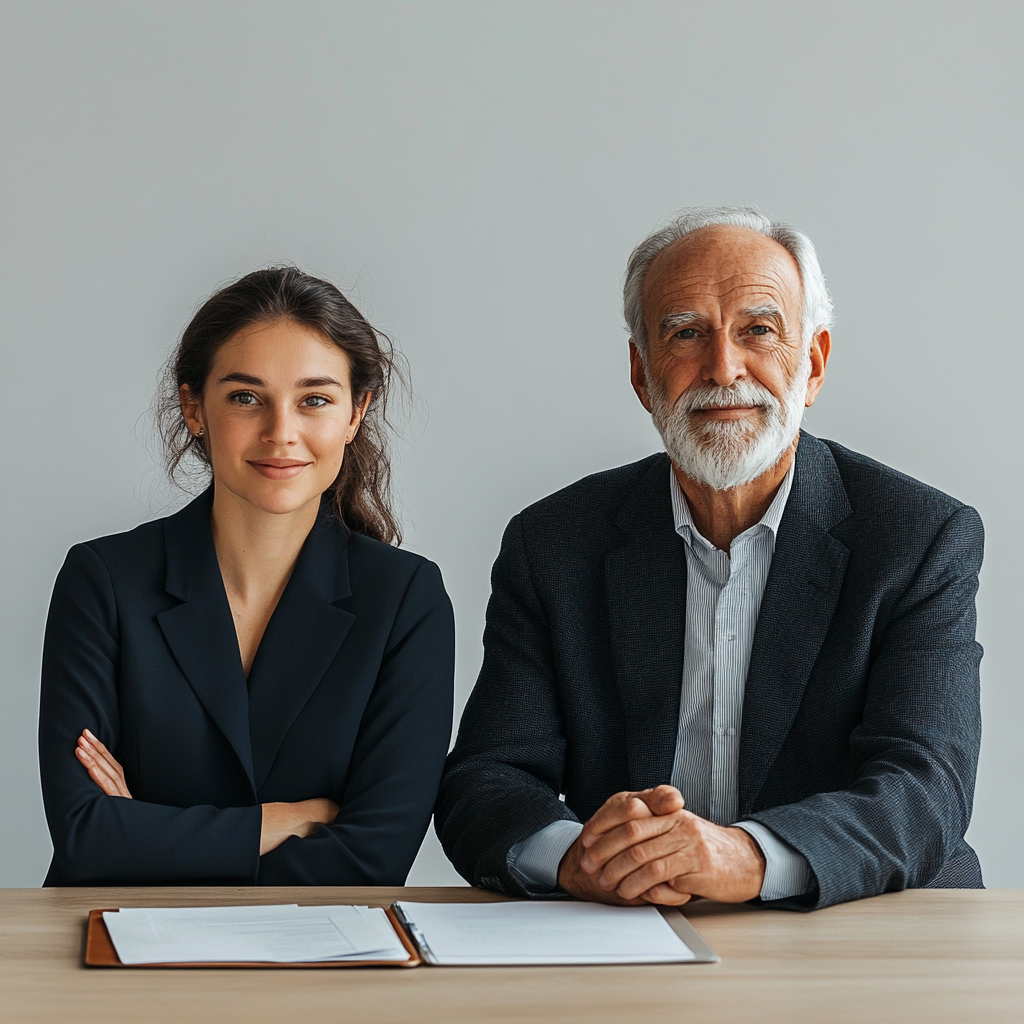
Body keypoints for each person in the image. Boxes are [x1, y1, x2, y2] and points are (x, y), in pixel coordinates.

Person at [436, 206, 983, 911]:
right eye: (685, 333)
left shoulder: (918, 536)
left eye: (757, 329)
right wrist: (579, 857)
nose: (723, 368)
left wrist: (749, 857)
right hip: (636, 928)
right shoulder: (554, 544)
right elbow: (487, 780)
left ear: (811, 366)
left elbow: (923, 787)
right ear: (642, 375)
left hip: (866, 927)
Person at [39, 267, 454, 886]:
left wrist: (149, 836)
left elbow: (373, 858)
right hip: (121, 948)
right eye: (245, 397)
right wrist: (281, 820)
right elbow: (85, 835)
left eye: (314, 399)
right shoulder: (102, 580)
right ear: (194, 408)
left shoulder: (405, 600)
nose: (280, 433)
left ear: (355, 412)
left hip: (320, 957)